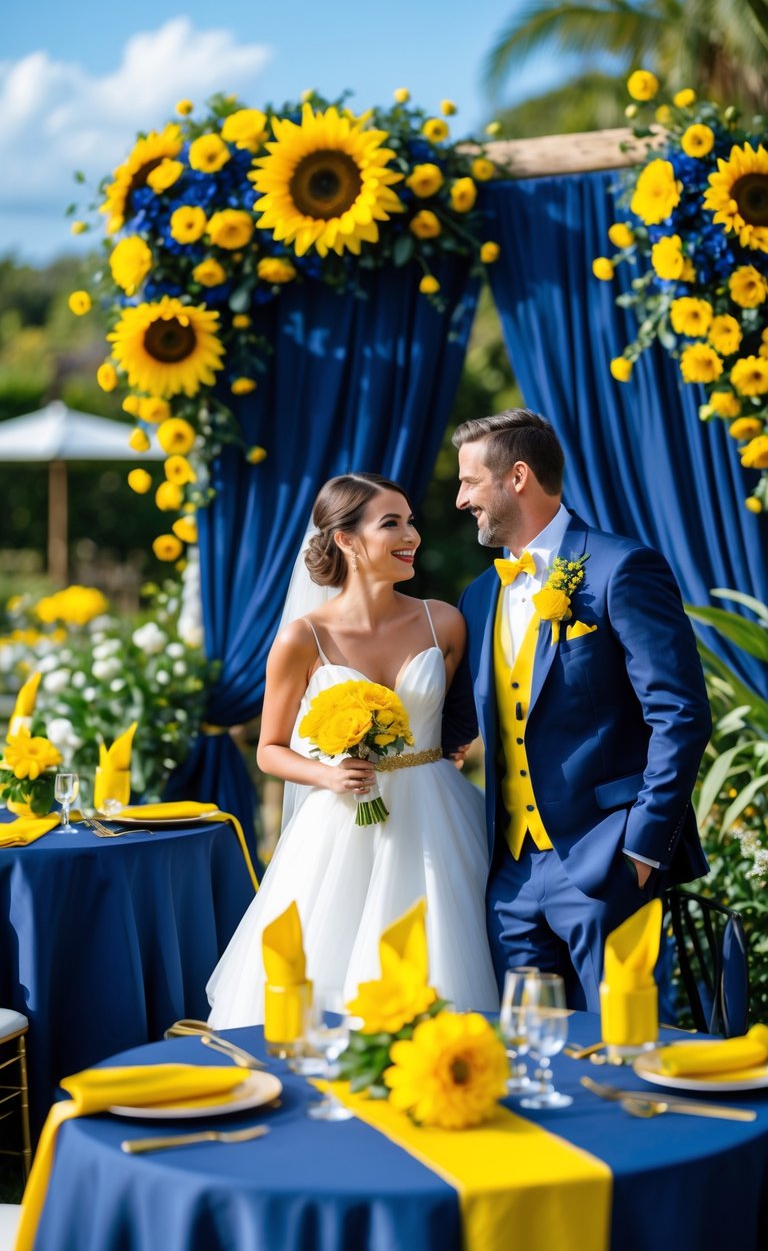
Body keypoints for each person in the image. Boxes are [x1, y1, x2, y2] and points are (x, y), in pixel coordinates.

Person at [442, 409, 711, 1011]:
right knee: (527, 1052)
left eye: (469, 482)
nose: (460, 500)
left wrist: (641, 850)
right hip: (510, 879)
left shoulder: (622, 567)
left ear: (517, 477)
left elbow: (680, 713)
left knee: (627, 1046)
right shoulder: (478, 595)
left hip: (608, 861)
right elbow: (463, 723)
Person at [207, 472, 499, 1027]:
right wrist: (328, 775)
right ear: (345, 539)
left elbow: (462, 714)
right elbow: (270, 749)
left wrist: (452, 746)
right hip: (340, 823)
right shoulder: (303, 638)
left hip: (437, 818)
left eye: (410, 521)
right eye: (391, 523)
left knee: (446, 960)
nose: (411, 535)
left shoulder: (444, 622)